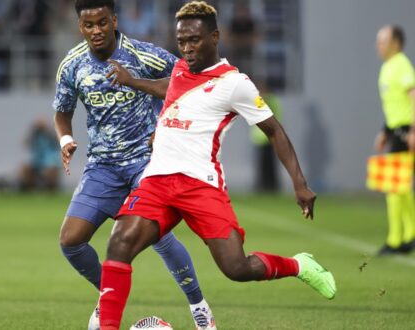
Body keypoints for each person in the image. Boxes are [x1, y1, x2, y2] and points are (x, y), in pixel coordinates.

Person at [98, 2, 335, 329]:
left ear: (215, 37)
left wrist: (299, 182)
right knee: (119, 241)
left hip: (201, 185)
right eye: (181, 41)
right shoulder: (182, 68)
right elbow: (168, 86)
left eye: (194, 40)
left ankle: (299, 265)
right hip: (158, 181)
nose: (187, 48)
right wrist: (131, 80)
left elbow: (274, 131)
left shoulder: (235, 84)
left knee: (237, 268)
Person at [53, 1, 214, 329]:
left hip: (147, 163)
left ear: (114, 20)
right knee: (70, 241)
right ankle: (107, 295)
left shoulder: (144, 55)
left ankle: (199, 306)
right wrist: (64, 139)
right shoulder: (72, 65)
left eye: (102, 22)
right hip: (102, 168)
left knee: (160, 237)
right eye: (88, 25)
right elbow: (62, 111)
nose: (96, 31)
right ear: (79, 27)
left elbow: (183, 80)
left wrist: (165, 127)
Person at [374, 25, 415, 255]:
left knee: (395, 186)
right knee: (401, 186)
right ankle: (408, 236)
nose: (378, 45)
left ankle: (396, 239)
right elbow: (395, 106)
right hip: (396, 130)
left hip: (406, 131)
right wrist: (385, 131)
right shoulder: (388, 67)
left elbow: (413, 98)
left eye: (383, 40)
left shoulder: (402, 65)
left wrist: (413, 131)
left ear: (396, 43)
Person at [250, 80, 282, 192]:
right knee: (262, 165)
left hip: (270, 137)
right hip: (260, 139)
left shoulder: (272, 100)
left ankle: (272, 186)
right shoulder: (258, 100)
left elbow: (272, 114)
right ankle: (262, 186)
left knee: (271, 165)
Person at [18, 117, 60, 192]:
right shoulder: (35, 136)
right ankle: (27, 189)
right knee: (25, 169)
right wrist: (33, 131)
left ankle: (51, 190)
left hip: (49, 162)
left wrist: (49, 130)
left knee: (52, 171)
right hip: (37, 162)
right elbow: (25, 143)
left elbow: (59, 141)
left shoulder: (50, 136)